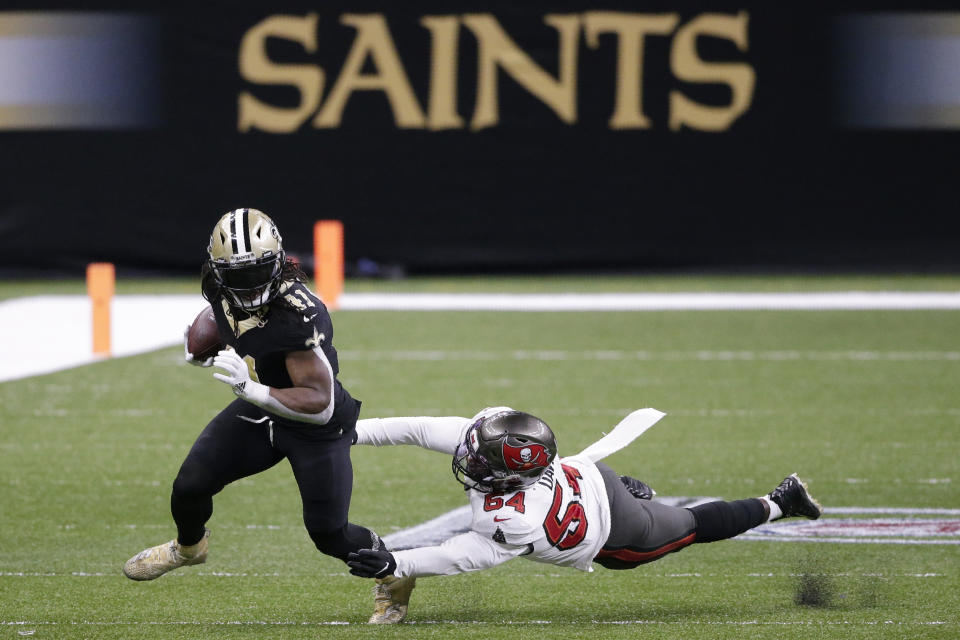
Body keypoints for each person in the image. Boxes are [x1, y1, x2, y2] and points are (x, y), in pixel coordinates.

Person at [124, 208, 390, 614]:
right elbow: (222, 313)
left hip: (314, 426)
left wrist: (250, 389)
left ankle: (393, 572)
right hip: (262, 407)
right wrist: (204, 344)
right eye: (237, 275)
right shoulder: (216, 280)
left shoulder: (298, 314)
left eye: (256, 272)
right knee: (190, 484)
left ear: (279, 261)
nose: (247, 286)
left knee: (329, 534)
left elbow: (319, 404)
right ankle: (189, 548)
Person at [345, 406, 822, 623]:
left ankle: (783, 502)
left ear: (508, 476)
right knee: (643, 502)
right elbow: (414, 428)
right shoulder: (498, 441)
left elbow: (464, 557)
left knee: (691, 527)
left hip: (617, 534)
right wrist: (345, 433)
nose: (466, 459)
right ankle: (636, 492)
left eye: (478, 460)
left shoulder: (513, 517)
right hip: (592, 476)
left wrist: (397, 564)